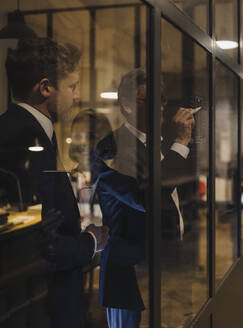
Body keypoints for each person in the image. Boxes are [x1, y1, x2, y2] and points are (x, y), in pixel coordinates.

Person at [0, 38, 109, 328]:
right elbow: (42, 244)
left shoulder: (19, 129)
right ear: (46, 88)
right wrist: (92, 241)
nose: (78, 95)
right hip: (43, 304)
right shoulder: (27, 138)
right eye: (72, 86)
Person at [95, 68, 195, 328]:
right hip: (129, 272)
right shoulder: (113, 147)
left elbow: (180, 191)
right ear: (127, 105)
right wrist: (182, 142)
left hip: (164, 267)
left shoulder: (159, 144)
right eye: (149, 101)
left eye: (161, 100)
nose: (160, 108)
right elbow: (150, 198)